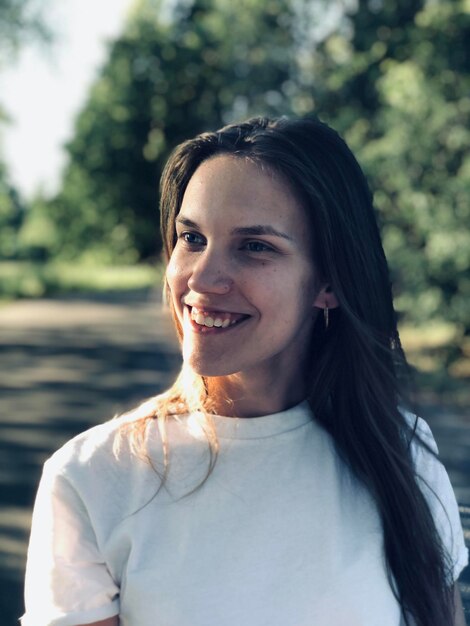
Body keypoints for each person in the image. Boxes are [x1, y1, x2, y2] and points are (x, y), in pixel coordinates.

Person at [22, 117, 468, 626]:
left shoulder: (404, 456)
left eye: (255, 246)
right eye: (191, 237)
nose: (203, 279)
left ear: (328, 283)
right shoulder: (90, 478)